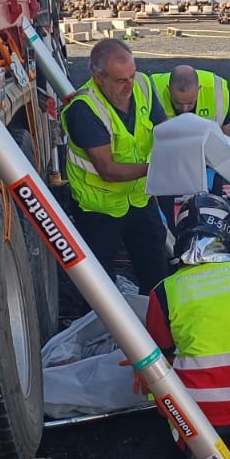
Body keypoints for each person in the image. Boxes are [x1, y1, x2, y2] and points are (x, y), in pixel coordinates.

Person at [144, 192, 230, 459]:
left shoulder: (163, 292)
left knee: (157, 374)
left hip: (195, 406)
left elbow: (160, 351)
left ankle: (188, 442)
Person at [61, 38, 173, 293]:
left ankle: (154, 324)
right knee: (99, 287)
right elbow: (107, 170)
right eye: (121, 80)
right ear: (98, 78)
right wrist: (156, 169)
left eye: (131, 76)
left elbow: (163, 128)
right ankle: (101, 329)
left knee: (156, 273)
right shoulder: (84, 109)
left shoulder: (142, 85)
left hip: (139, 198)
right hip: (99, 208)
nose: (129, 85)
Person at [149, 64, 230, 134]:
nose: (184, 109)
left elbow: (224, 132)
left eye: (190, 103)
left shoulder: (216, 92)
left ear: (198, 89)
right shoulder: (153, 92)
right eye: (178, 103)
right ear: (169, 89)